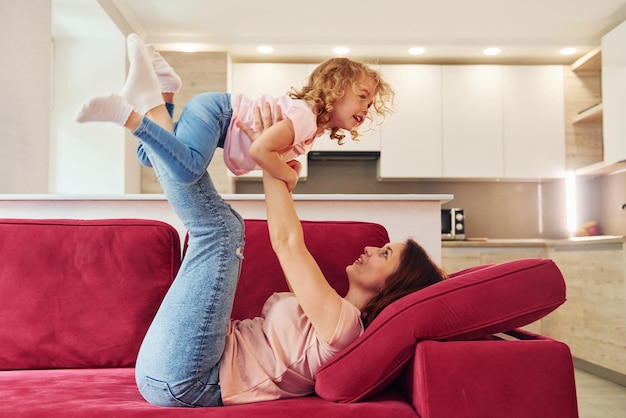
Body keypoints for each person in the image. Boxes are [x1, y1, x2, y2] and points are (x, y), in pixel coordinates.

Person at [77, 37, 445, 408]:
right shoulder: (332, 311)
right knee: (161, 160)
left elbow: (286, 242)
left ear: (395, 284)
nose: (370, 248)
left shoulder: (345, 328)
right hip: (187, 359)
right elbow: (283, 231)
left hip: (189, 380)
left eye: (385, 253)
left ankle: (134, 113)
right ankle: (156, 99)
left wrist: (276, 159)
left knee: (221, 229)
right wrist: (276, 159)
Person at [75, 33, 395, 192]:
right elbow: (260, 149)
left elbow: (271, 151)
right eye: (362, 97)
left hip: (217, 116)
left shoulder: (310, 127)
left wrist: (285, 162)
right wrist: (289, 174)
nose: (366, 109)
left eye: (370, 104)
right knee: (187, 171)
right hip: (220, 114)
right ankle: (127, 114)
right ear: (335, 90)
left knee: (150, 156)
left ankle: (166, 89)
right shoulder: (305, 117)